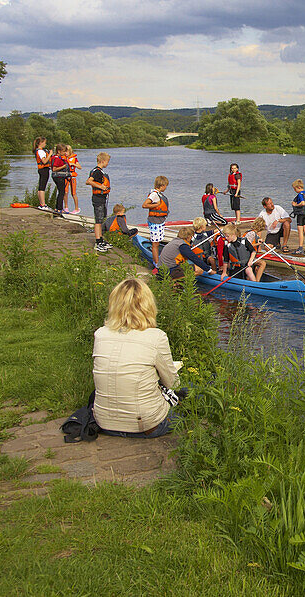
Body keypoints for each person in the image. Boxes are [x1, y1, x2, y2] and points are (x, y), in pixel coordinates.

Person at [92, 278, 181, 438]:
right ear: (148, 305)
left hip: (104, 423)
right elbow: (173, 383)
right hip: (146, 425)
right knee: (188, 398)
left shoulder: (100, 334)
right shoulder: (156, 337)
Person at [141, 176, 170, 269]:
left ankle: (157, 260)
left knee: (157, 242)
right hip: (155, 221)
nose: (166, 188)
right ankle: (156, 264)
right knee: (155, 243)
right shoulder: (154, 195)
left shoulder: (159, 194)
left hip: (159, 221)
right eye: (165, 186)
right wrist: (156, 205)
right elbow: (144, 205)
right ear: (162, 185)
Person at [86, 152, 112, 253]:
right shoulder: (97, 171)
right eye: (107, 162)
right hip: (98, 198)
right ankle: (98, 242)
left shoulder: (99, 171)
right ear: (102, 161)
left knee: (101, 219)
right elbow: (88, 181)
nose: (107, 164)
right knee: (98, 220)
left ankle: (101, 239)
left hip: (102, 198)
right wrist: (101, 186)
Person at [49, 143, 71, 214]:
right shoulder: (57, 159)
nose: (65, 153)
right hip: (58, 177)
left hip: (59, 177)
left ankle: (57, 208)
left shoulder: (56, 158)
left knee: (61, 192)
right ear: (59, 151)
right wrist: (63, 166)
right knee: (62, 192)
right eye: (64, 151)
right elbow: (54, 169)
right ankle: (59, 209)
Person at [290, 179, 305, 253]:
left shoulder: (300, 194)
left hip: (301, 214)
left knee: (300, 231)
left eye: (294, 189)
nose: (294, 190)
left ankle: (300, 247)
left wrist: (296, 205)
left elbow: (303, 203)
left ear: (298, 187)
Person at [33, 137, 51, 209]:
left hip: (42, 169)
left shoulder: (39, 151)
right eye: (44, 142)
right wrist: (50, 154)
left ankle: (41, 203)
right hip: (44, 170)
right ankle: (43, 204)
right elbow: (44, 161)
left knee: (41, 186)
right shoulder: (40, 151)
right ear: (40, 143)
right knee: (42, 187)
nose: (45, 144)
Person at [65, 146, 81, 213]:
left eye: (67, 151)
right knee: (65, 192)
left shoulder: (74, 159)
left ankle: (76, 208)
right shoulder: (64, 159)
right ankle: (66, 207)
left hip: (72, 177)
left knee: (73, 193)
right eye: (65, 151)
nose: (66, 153)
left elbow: (79, 167)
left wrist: (73, 164)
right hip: (65, 176)